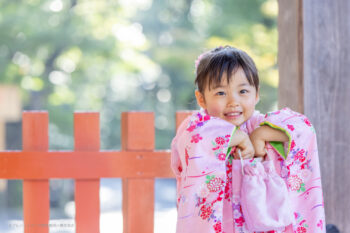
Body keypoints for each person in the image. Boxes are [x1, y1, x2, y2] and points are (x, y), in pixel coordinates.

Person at [171, 45, 326, 233]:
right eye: (221, 93)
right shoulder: (197, 128)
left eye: (243, 91)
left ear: (256, 94)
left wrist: (260, 135)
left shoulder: (262, 125)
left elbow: (304, 129)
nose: (233, 101)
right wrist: (236, 137)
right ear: (201, 98)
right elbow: (194, 137)